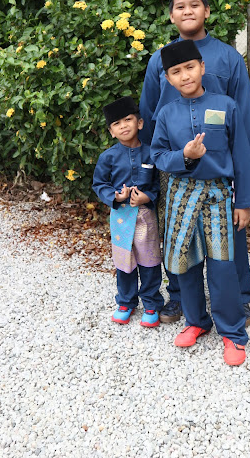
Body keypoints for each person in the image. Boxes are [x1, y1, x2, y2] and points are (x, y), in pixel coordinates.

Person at [140, 0, 250, 326]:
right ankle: (179, 297)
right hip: (174, 169)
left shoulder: (228, 58)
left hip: (221, 169)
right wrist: (151, 171)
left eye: (195, 4)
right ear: (171, 15)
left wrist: (244, 193)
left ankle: (239, 298)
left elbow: (243, 128)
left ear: (207, 11)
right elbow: (148, 116)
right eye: (180, 6)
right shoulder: (159, 60)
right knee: (177, 235)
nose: (188, 11)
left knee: (231, 237)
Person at [150, 40, 250, 365]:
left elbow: (241, 155)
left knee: (223, 266)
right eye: (176, 71)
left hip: (218, 197)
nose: (184, 76)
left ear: (201, 67)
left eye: (189, 67)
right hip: (181, 196)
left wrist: (244, 202)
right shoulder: (166, 113)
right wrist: (184, 156)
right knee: (184, 263)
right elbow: (158, 155)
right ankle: (197, 321)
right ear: (168, 78)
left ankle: (232, 332)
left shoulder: (226, 106)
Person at [92, 96, 164, 327]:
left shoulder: (152, 153)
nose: (123, 126)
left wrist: (148, 196)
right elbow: (99, 184)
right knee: (124, 260)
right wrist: (116, 196)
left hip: (146, 216)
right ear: (111, 132)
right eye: (116, 124)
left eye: (128, 120)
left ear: (139, 123)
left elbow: (158, 185)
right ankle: (125, 302)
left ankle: (151, 303)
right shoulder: (108, 157)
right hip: (121, 217)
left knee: (150, 261)